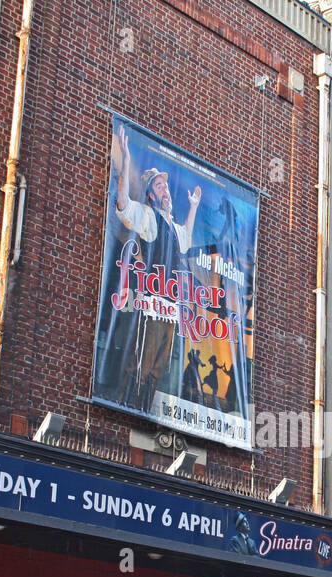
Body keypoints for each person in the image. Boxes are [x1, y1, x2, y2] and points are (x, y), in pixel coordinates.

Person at [108, 123, 201, 412]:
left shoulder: (172, 226)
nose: (166, 191)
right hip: (150, 306)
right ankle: (128, 410)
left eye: (166, 186)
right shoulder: (148, 217)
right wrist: (125, 164)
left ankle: (142, 410)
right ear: (150, 194)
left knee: (157, 369)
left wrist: (194, 206)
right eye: (160, 186)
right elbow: (123, 205)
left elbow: (185, 239)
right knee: (142, 363)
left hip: (170, 309)